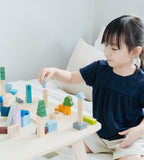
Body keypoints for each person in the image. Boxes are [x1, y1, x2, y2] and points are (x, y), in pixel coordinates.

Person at [38, 15, 144, 160]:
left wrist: (138, 130)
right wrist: (55, 72)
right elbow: (71, 77)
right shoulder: (99, 68)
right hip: (98, 133)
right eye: (105, 45)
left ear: (135, 52)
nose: (107, 52)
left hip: (125, 139)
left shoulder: (140, 82)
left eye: (113, 48)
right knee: (59, 139)